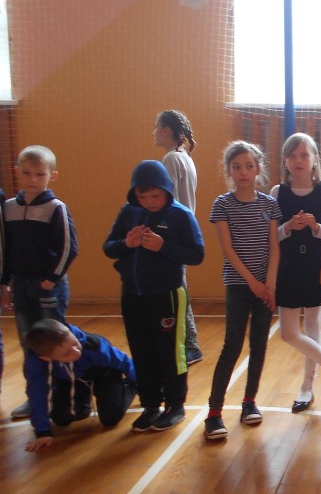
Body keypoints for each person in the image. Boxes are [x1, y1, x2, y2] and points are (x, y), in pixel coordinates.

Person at [103, 160, 205, 432]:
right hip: (132, 294)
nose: (149, 202)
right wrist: (127, 243)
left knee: (170, 352)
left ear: (166, 190)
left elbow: (197, 255)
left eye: (155, 196)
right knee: (141, 350)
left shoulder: (180, 215)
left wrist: (163, 246)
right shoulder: (129, 212)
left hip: (166, 294)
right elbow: (109, 248)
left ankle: (175, 405)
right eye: (143, 196)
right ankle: (150, 404)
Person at [204, 141, 281, 440]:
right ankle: (214, 413)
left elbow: (274, 247)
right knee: (232, 345)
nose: (243, 172)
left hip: (265, 287)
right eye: (237, 167)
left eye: (249, 166)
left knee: (259, 345)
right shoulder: (222, 204)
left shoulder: (269, 204)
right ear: (229, 171)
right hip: (239, 285)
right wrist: (253, 282)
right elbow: (228, 249)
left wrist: (270, 283)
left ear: (258, 168)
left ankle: (250, 401)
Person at [2, 145, 78, 420]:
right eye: (26, 173)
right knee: (29, 341)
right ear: (17, 173)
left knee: (56, 342)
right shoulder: (9, 208)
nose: (32, 179)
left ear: (52, 176)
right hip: (21, 286)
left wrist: (50, 279)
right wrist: (6, 283)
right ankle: (35, 397)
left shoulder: (56, 208)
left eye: (39, 174)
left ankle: (62, 399)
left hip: (49, 287)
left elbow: (69, 248)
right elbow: (5, 250)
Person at [271, 133, 321, 413]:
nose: (298, 160)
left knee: (313, 327)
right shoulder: (277, 192)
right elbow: (272, 237)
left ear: (315, 160)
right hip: (287, 267)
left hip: (315, 264)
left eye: (304, 155)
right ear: (285, 161)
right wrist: (288, 227)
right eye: (292, 155)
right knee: (288, 333)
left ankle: (307, 387)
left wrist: (315, 227)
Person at [22, 320, 137, 452]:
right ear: (47, 358)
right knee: (61, 418)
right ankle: (83, 402)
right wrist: (42, 432)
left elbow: (126, 363)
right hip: (71, 380)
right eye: (67, 354)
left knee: (110, 418)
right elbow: (36, 392)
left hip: (105, 374)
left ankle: (130, 387)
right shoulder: (35, 362)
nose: (77, 351)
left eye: (75, 343)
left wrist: (142, 384)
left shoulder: (93, 345)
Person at [152, 109, 203, 365]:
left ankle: (190, 345)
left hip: (174, 235)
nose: (153, 132)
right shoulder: (185, 157)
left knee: (177, 290)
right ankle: (184, 343)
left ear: (166, 130)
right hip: (182, 233)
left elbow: (167, 200)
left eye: (156, 127)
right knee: (178, 289)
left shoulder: (171, 158)